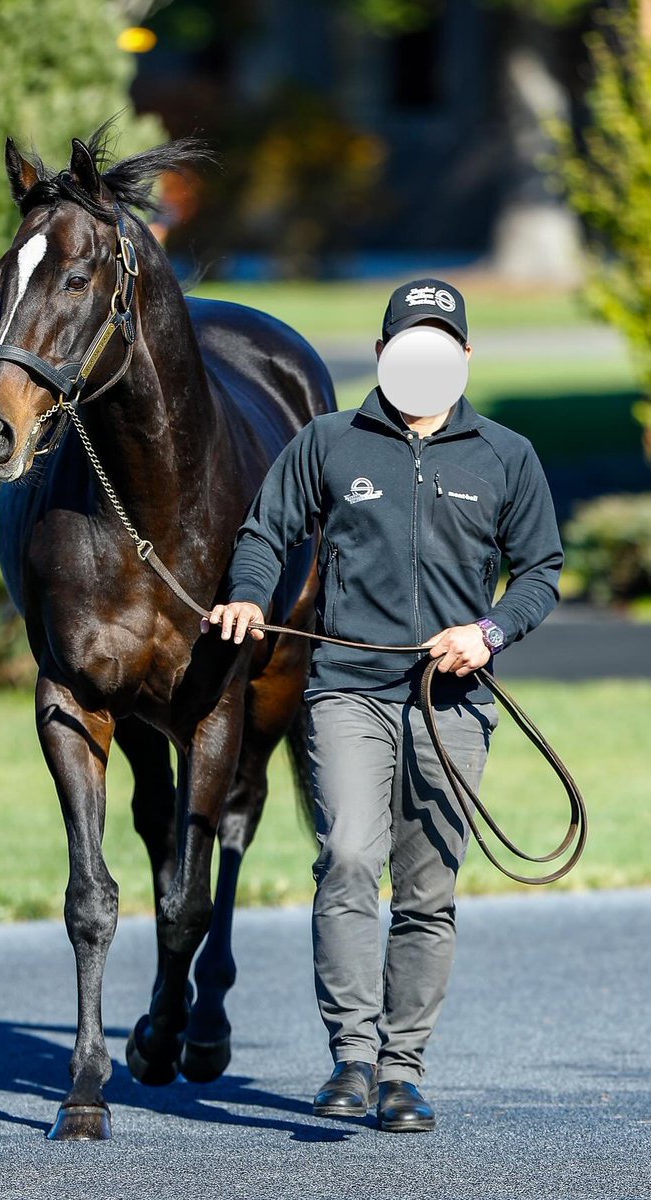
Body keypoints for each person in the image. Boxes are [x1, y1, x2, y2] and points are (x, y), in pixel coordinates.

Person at [201, 278, 563, 1133]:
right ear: (380, 355)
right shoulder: (328, 443)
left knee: (427, 891)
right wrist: (250, 595)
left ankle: (402, 1070)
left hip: (454, 701)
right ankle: (352, 1059)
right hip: (346, 693)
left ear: (464, 358)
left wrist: (490, 631)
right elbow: (264, 534)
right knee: (351, 859)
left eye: (441, 346)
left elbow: (541, 570)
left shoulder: (505, 456)